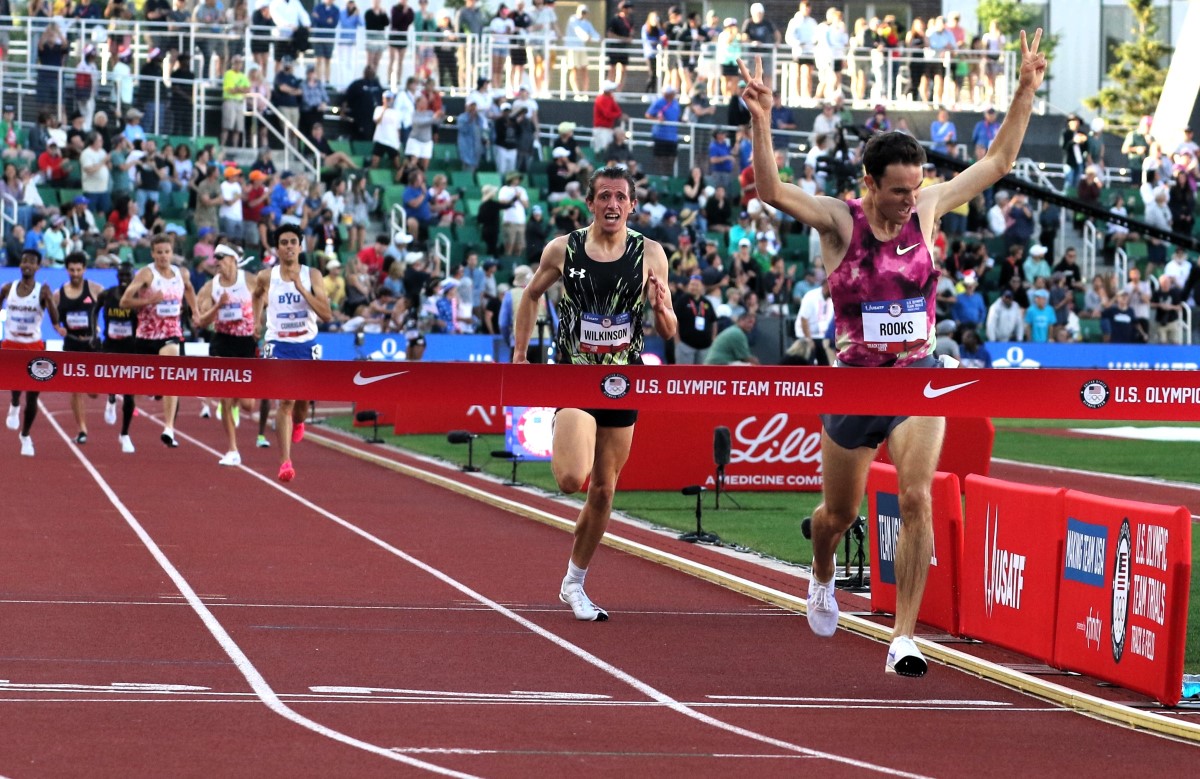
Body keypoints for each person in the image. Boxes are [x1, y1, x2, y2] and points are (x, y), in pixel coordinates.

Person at [739, 29, 1047, 676]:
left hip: (917, 378)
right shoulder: (839, 222)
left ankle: (904, 635)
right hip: (854, 385)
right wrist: (762, 121)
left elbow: (994, 164)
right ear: (870, 183)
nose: (911, 200)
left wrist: (1024, 89)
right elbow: (772, 192)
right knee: (837, 514)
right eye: (899, 190)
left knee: (915, 499)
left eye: (917, 188)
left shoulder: (929, 208)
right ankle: (821, 571)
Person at [512, 166, 676, 622]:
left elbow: (669, 327)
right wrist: (521, 354)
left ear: (632, 205)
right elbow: (530, 296)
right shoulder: (564, 249)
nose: (612, 204)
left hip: (624, 382)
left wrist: (662, 308)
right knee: (572, 479)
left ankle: (574, 583)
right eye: (604, 196)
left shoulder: (651, 253)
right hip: (575, 376)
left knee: (604, 492)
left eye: (620, 197)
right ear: (590, 202)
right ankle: (564, 425)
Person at [252, 224, 334, 482]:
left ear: (300, 246)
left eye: (293, 242)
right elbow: (256, 295)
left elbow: (326, 314)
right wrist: (256, 321)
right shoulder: (267, 276)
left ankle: (300, 422)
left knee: (300, 407)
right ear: (277, 248)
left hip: (306, 345)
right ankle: (285, 462)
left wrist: (302, 289)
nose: (288, 246)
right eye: (284, 242)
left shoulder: (313, 275)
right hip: (278, 343)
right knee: (284, 401)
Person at [119, 233, 200, 448]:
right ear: (152, 253)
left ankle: (169, 428)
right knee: (147, 385)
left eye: (167, 252)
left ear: (172, 253)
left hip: (171, 334)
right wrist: (149, 300)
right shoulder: (146, 274)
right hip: (146, 337)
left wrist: (196, 311)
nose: (163, 256)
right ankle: (151, 393)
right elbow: (125, 300)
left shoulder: (181, 273)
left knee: (172, 374)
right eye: (159, 252)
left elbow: (190, 290)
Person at [194, 240, 259, 466]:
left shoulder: (249, 281)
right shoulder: (211, 286)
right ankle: (232, 449)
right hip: (222, 341)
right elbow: (201, 321)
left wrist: (260, 323)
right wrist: (218, 306)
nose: (218, 263)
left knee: (249, 404)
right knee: (226, 394)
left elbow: (267, 299)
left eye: (221, 259)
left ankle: (231, 399)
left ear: (233, 260)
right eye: (216, 259)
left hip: (245, 342)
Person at [3, 249, 63, 456]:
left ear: (38, 267)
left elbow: (55, 320)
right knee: (14, 385)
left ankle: (26, 435)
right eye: (23, 261)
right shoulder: (8, 289)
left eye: (31, 262)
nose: (26, 265)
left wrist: (50, 300)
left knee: (33, 394)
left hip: (34, 345)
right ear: (20, 266)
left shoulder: (42, 290)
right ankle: (14, 403)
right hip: (11, 343)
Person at [55, 251, 104, 444]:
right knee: (75, 389)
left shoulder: (94, 289)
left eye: (78, 269)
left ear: (84, 269)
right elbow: (51, 315)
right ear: (66, 270)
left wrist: (100, 324)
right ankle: (82, 429)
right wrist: (58, 327)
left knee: (92, 391)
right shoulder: (59, 294)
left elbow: (111, 305)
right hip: (72, 343)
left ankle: (94, 391)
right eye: (71, 270)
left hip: (91, 343)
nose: (75, 273)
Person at [98, 261, 139, 453]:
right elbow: (93, 311)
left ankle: (125, 434)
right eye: (121, 276)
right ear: (117, 276)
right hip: (110, 345)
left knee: (130, 395)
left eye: (127, 277)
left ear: (133, 278)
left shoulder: (137, 297)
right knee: (111, 380)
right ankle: (111, 398)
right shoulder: (107, 295)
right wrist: (93, 331)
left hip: (130, 347)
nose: (124, 280)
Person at [673, 273, 716, 364]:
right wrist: (677, 341)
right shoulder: (682, 301)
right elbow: (675, 320)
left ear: (702, 287)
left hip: (705, 347)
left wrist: (713, 339)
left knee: (702, 376)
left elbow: (714, 321)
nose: (694, 287)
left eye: (696, 285)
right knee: (684, 375)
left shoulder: (706, 302)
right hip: (685, 345)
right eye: (692, 284)